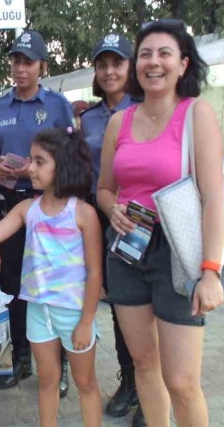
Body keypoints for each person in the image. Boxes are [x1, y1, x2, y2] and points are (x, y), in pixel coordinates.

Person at [96, 19, 224, 427]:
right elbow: (104, 189)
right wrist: (111, 208)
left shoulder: (196, 114)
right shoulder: (120, 121)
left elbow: (213, 198)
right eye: (146, 54)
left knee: (183, 381)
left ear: (183, 64)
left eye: (164, 53)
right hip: (126, 248)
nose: (154, 62)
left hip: (178, 253)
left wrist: (211, 271)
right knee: (143, 363)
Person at [0, 127, 103, 427]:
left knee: (86, 383)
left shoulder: (84, 214)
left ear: (63, 164)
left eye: (39, 161)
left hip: (73, 312)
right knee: (47, 380)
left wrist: (87, 321)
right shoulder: (26, 209)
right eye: (31, 160)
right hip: (37, 311)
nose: (29, 167)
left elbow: (95, 271)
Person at [0, 29, 74, 395]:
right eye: (16, 61)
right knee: (14, 286)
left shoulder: (57, 105)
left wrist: (37, 172)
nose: (21, 68)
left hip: (49, 209)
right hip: (10, 208)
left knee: (53, 289)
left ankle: (61, 366)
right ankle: (20, 358)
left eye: (28, 62)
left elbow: (71, 156)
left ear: (42, 67)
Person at [79, 32, 145, 426]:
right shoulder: (87, 118)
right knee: (119, 303)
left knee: (146, 305)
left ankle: (151, 387)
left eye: (117, 63)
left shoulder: (148, 107)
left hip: (143, 218)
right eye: (102, 64)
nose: (109, 71)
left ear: (130, 67)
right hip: (103, 214)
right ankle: (131, 380)